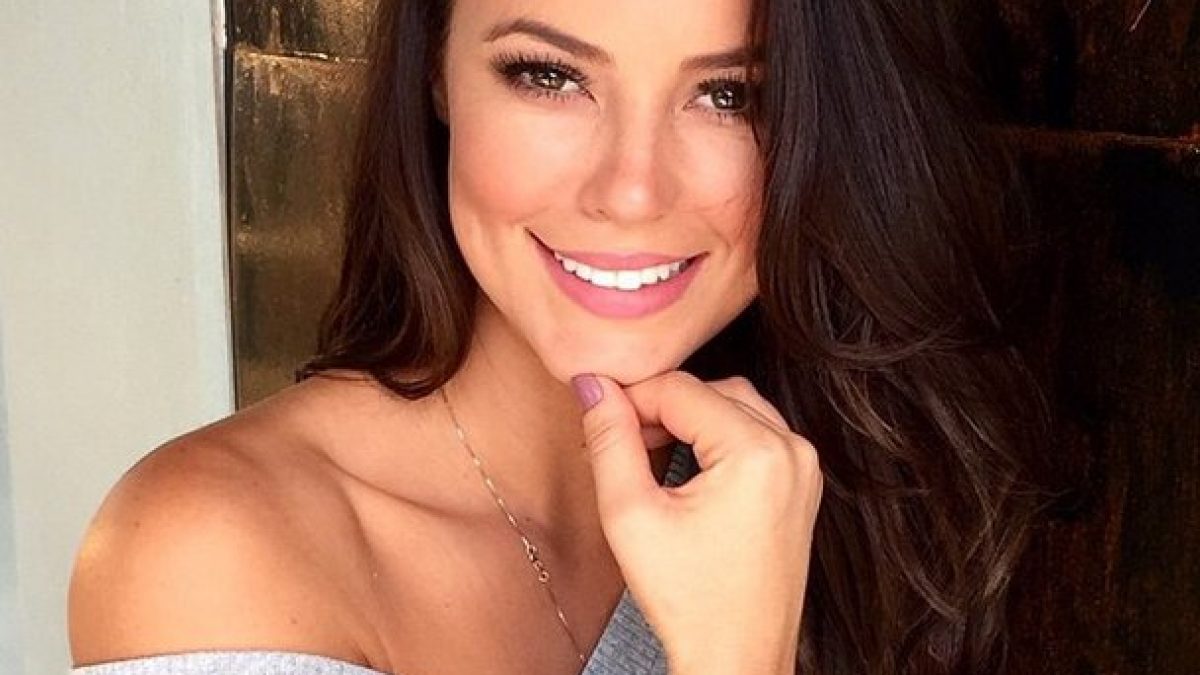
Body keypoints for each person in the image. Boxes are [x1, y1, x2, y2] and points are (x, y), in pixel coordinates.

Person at [68, 0, 1049, 673]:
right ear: (437, 75)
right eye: (549, 76)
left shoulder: (808, 491)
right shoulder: (208, 555)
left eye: (731, 95)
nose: (632, 190)